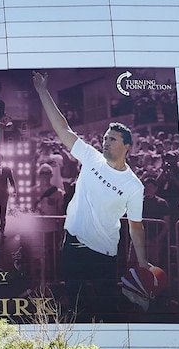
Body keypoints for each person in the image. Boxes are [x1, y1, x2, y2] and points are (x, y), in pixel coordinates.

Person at [32, 71, 151, 316]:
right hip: (73, 245)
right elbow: (63, 127)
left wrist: (142, 264)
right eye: (105, 138)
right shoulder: (90, 157)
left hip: (104, 253)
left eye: (113, 139)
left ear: (127, 146)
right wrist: (43, 91)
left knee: (106, 309)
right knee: (73, 309)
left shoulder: (133, 185)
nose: (106, 142)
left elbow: (136, 227)